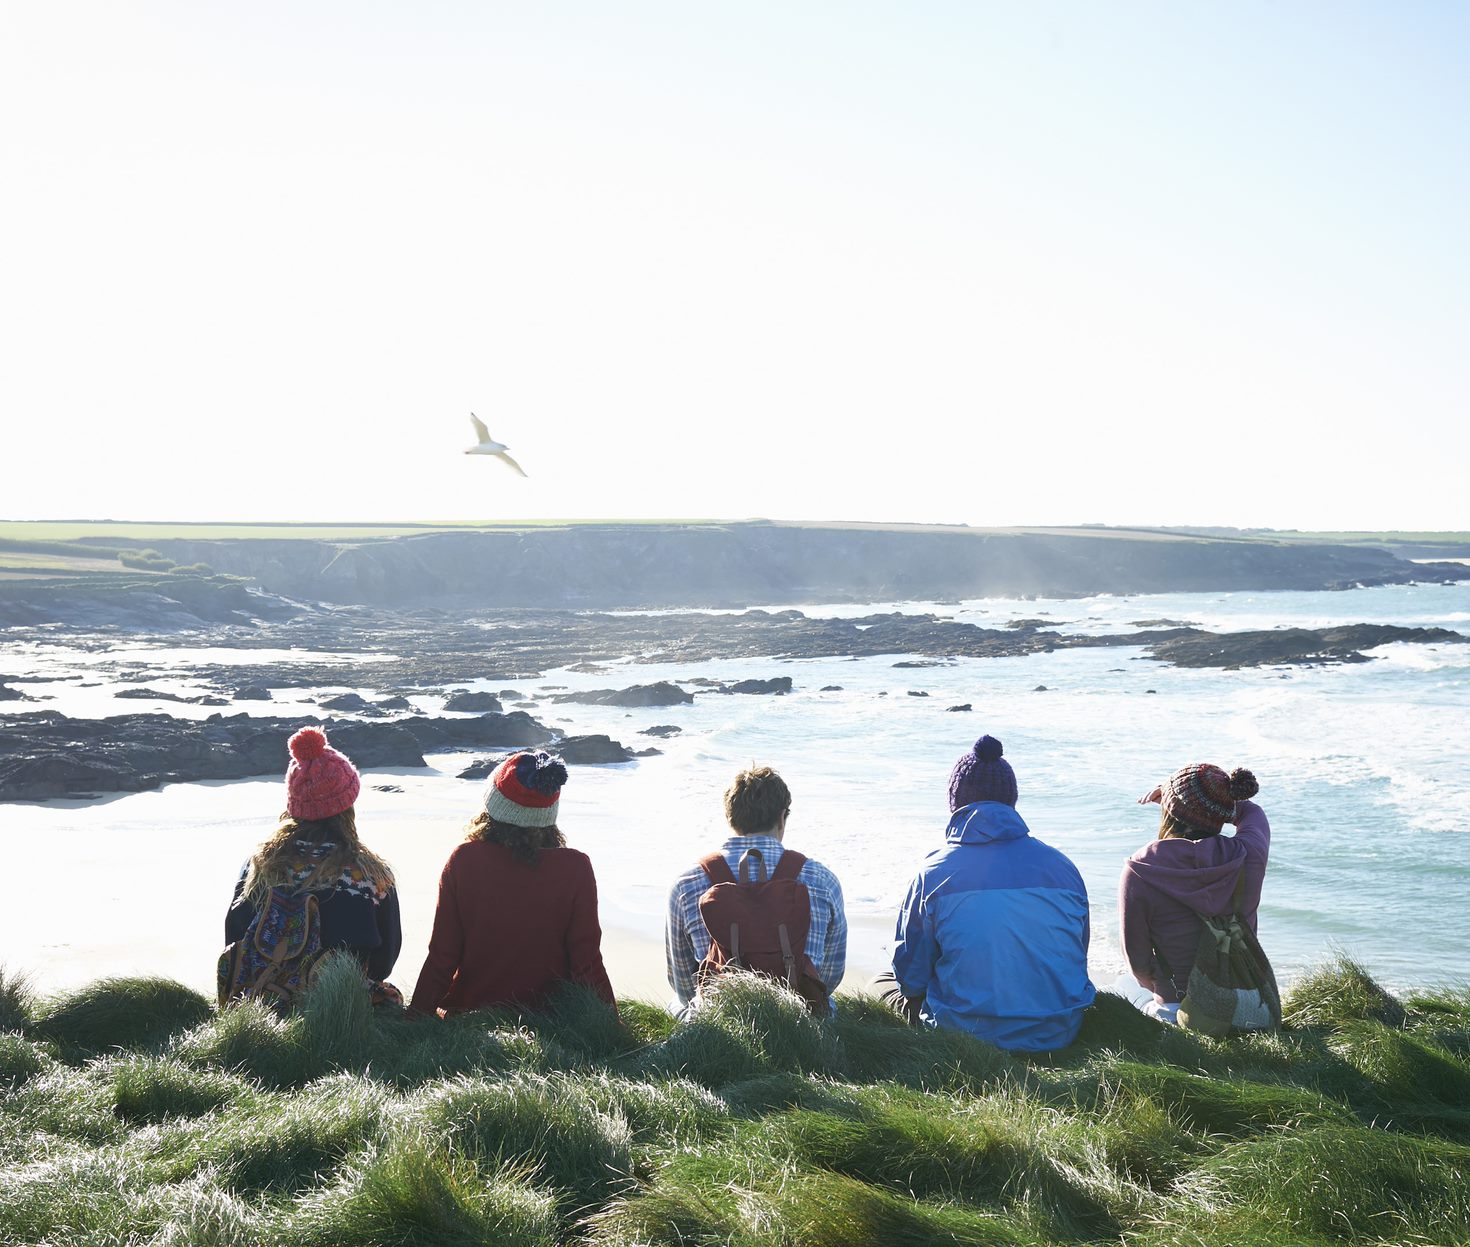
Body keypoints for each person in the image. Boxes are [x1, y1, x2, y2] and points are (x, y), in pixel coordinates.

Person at [886, 735, 1095, 1052]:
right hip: (1057, 1031)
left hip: (963, 1034)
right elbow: (1078, 950)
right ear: (1011, 800)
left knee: (890, 982)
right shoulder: (1063, 868)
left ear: (955, 802)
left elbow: (911, 977)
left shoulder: (933, 874)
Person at [410, 750, 615, 1016]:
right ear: (550, 812)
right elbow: (586, 961)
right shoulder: (576, 868)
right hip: (551, 1020)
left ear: (492, 806)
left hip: (470, 1015)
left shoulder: (464, 860)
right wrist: (612, 1023)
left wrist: (415, 1016)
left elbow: (442, 956)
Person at [224, 726, 402, 1004]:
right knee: (390, 996)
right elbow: (383, 962)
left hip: (263, 994)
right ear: (347, 805)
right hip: (338, 1002)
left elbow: (233, 937)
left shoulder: (259, 865)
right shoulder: (371, 875)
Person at [666, 765, 846, 1014]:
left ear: (729, 816)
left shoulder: (687, 883)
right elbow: (830, 975)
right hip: (802, 1020)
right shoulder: (822, 880)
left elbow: (683, 984)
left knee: (676, 1004)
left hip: (721, 1024)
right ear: (782, 816)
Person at [1119, 762, 1268, 1023]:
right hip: (1248, 1003)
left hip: (1179, 1008)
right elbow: (1252, 812)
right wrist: (1206, 804)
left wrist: (1163, 988)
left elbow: (1139, 963)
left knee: (1124, 985)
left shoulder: (1140, 869)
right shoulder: (1248, 853)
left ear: (1169, 809)